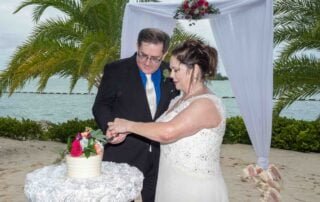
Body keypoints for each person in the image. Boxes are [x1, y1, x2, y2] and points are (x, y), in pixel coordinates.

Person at [107, 39, 229, 201]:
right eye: (171, 69)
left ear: (196, 70)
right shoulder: (178, 100)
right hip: (170, 182)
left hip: (194, 189)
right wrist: (127, 131)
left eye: (176, 70)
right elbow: (157, 128)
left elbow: (168, 132)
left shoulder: (205, 104)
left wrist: (127, 124)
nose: (171, 75)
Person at [92, 28, 178, 202]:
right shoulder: (116, 69)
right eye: (142, 55)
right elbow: (101, 105)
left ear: (165, 53)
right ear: (137, 46)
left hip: (161, 155)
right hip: (122, 152)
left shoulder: (172, 73)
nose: (147, 62)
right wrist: (112, 129)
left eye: (155, 58)